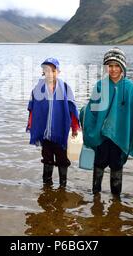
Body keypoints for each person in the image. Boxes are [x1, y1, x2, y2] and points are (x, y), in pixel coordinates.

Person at [80, 47, 133, 197]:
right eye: (110, 66)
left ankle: (116, 198)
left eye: (116, 65)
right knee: (98, 164)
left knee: (116, 166)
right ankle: (96, 196)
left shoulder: (130, 88)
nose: (113, 69)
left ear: (122, 66)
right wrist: (84, 122)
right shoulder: (100, 86)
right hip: (102, 135)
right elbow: (91, 110)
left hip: (120, 135)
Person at [26, 58, 80, 188]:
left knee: (62, 160)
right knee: (47, 158)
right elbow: (33, 109)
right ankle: (47, 185)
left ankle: (63, 185)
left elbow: (72, 109)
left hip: (60, 133)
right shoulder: (38, 89)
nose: (50, 73)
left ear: (58, 71)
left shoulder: (65, 88)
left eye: (53, 70)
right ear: (43, 72)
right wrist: (31, 125)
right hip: (45, 134)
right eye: (47, 70)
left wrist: (74, 127)